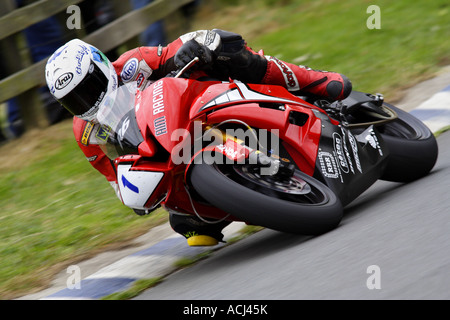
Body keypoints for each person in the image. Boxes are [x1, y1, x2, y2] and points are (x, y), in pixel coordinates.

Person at [45, 29, 352, 246]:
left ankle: (313, 80)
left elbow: (174, 50)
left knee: (228, 51)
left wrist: (191, 50)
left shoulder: (134, 63)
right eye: (74, 101)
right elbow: (116, 179)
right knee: (186, 225)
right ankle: (250, 193)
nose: (87, 103)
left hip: (197, 103)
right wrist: (136, 194)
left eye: (88, 88)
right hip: (169, 155)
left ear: (101, 66)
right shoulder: (85, 133)